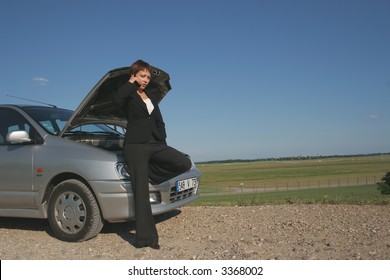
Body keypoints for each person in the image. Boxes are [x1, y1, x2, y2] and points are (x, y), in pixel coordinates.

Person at [113, 60, 192, 249]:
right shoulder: (128, 94)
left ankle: (149, 175)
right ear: (134, 75)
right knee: (141, 195)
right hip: (135, 146)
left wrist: (161, 141)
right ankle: (146, 239)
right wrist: (131, 83)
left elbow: (159, 121)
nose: (146, 79)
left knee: (183, 163)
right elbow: (116, 101)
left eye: (148, 77)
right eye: (142, 75)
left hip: (154, 144)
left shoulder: (150, 97)